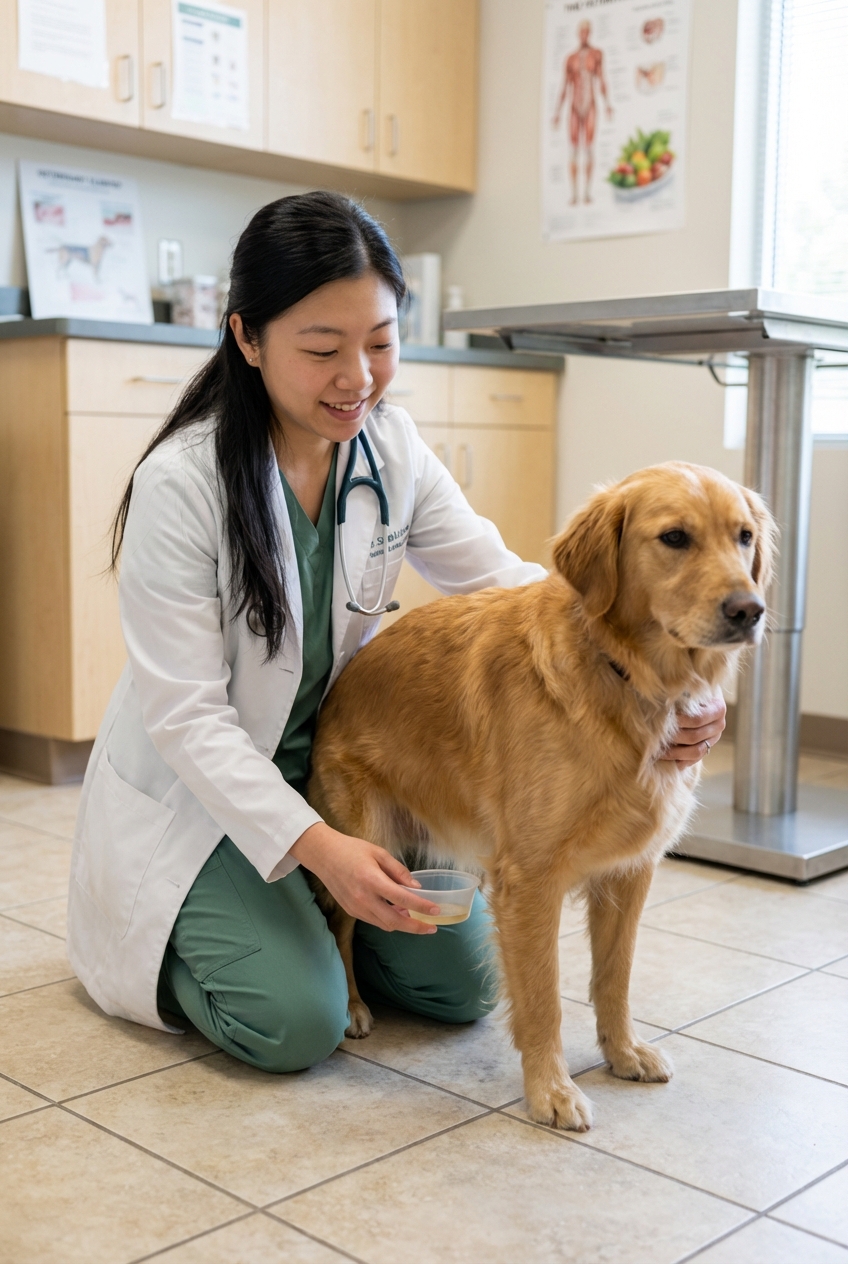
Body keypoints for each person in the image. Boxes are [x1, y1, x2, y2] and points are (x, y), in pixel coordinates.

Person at [67, 192, 726, 1074]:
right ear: (248, 339)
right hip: (209, 797)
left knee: (461, 990)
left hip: (348, 763)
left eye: (380, 342)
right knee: (296, 1022)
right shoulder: (181, 486)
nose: (358, 378)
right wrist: (323, 848)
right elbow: (189, 722)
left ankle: (317, 918)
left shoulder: (391, 449)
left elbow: (511, 581)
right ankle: (201, 941)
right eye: (322, 349)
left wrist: (651, 676)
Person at [552, 20, 613, 205]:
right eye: (582, 32)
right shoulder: (570, 58)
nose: (584, 35)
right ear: (578, 33)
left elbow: (602, 79)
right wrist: (557, 112)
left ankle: (586, 193)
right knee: (573, 149)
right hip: (574, 106)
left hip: (591, 104)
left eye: (587, 31)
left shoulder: (596, 55)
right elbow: (565, 86)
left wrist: (607, 103)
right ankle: (573, 194)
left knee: (588, 148)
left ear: (590, 33)